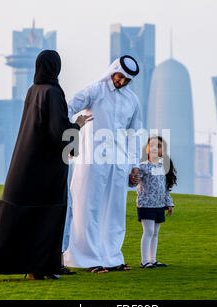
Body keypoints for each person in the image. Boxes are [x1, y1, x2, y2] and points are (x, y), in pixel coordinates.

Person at [0, 50, 92, 280]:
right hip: (48, 169)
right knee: (49, 216)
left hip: (26, 165)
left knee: (30, 218)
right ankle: (44, 268)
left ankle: (34, 269)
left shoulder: (33, 91)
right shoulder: (53, 92)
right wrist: (78, 125)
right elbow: (57, 131)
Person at [63, 55, 143, 273]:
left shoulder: (132, 100)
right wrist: (70, 141)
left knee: (115, 211)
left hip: (119, 162)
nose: (122, 82)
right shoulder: (94, 90)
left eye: (127, 80)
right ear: (113, 70)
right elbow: (68, 110)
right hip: (92, 160)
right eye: (120, 77)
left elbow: (135, 133)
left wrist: (134, 165)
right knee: (89, 207)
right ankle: (88, 259)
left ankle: (112, 257)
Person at [131, 136, 177, 268]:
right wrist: (132, 177)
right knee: (149, 231)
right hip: (146, 205)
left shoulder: (163, 167)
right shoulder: (143, 167)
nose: (155, 149)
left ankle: (152, 259)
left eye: (159, 146)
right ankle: (144, 261)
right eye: (152, 146)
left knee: (155, 233)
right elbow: (134, 182)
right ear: (147, 149)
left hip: (159, 205)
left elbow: (165, 188)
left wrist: (169, 203)